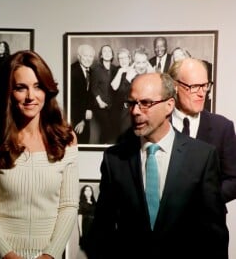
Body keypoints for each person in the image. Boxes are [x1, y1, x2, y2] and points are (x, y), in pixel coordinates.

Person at [87, 72, 229, 259]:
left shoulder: (202, 156)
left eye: (145, 103)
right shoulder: (114, 159)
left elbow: (215, 236)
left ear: (169, 105)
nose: (135, 111)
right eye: (131, 103)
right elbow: (102, 230)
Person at [0, 50, 79, 259]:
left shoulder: (66, 138)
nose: (31, 96)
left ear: (47, 90)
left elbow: (68, 205)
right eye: (21, 88)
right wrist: (8, 254)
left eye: (38, 86)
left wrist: (50, 255)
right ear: (8, 92)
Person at [168, 58, 236, 203]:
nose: (202, 93)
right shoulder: (159, 125)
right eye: (194, 87)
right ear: (175, 86)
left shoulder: (222, 127)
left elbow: (234, 179)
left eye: (205, 85)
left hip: (208, 223)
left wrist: (205, 201)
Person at [90, 45, 118, 144]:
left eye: (109, 51)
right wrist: (100, 102)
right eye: (104, 51)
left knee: (112, 130)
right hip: (100, 105)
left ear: (112, 55)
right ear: (101, 55)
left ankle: (104, 148)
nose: (107, 53)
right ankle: (102, 147)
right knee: (106, 127)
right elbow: (93, 88)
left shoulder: (116, 69)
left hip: (113, 105)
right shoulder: (96, 69)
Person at [71, 44, 95, 144]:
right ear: (79, 56)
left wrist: (89, 109)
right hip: (75, 119)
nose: (88, 59)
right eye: (85, 56)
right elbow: (73, 99)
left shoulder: (92, 72)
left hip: (86, 118)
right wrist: (81, 120)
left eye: (91, 56)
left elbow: (90, 94)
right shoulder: (72, 71)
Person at [110, 48, 133, 135]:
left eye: (125, 58)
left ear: (130, 59)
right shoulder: (116, 70)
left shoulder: (134, 70)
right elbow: (114, 87)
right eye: (120, 58)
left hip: (130, 107)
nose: (123, 60)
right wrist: (120, 72)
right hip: (118, 108)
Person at [78, 185, 96, 256]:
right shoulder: (81, 204)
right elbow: (79, 218)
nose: (88, 192)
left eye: (90, 190)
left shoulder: (95, 203)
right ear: (83, 192)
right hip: (86, 226)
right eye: (86, 190)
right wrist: (81, 233)